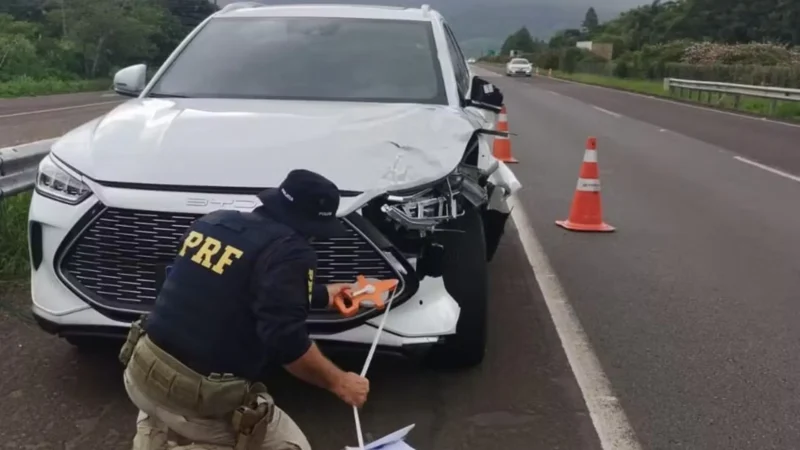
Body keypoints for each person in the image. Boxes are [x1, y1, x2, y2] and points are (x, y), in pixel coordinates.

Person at [119, 169, 370, 450]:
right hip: (195, 397)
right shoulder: (291, 250)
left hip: (140, 371)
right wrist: (340, 382)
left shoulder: (213, 222)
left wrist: (323, 294)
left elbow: (231, 285)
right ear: (311, 227)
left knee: (166, 408)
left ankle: (152, 434)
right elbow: (286, 342)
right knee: (292, 446)